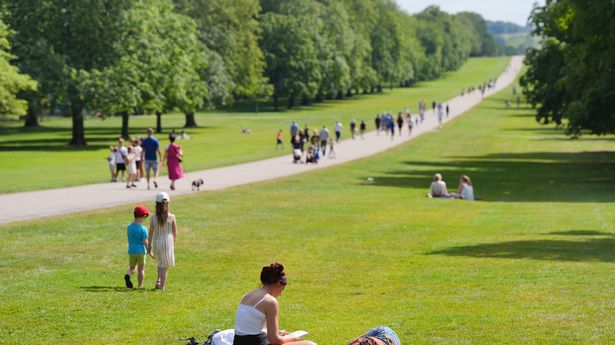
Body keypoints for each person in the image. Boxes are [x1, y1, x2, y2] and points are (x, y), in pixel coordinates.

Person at [232, 263, 316, 345]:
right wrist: (292, 337)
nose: (280, 294)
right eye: (281, 290)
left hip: (238, 342)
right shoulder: (270, 301)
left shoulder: (248, 294)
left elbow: (251, 327)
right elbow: (275, 341)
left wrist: (278, 332)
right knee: (310, 344)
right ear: (277, 284)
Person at [148, 192, 176, 291]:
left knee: (160, 263)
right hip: (167, 242)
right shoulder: (172, 217)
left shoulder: (153, 217)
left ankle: (158, 280)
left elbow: (150, 232)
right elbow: (174, 233)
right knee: (164, 266)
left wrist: (149, 245)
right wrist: (173, 244)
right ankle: (162, 287)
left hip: (156, 241)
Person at [124, 205, 151, 289]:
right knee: (141, 269)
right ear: (142, 216)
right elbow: (145, 242)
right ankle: (140, 286)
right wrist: (150, 250)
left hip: (131, 251)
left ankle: (127, 274)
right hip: (141, 251)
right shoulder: (143, 229)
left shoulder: (129, 227)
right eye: (145, 216)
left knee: (132, 268)